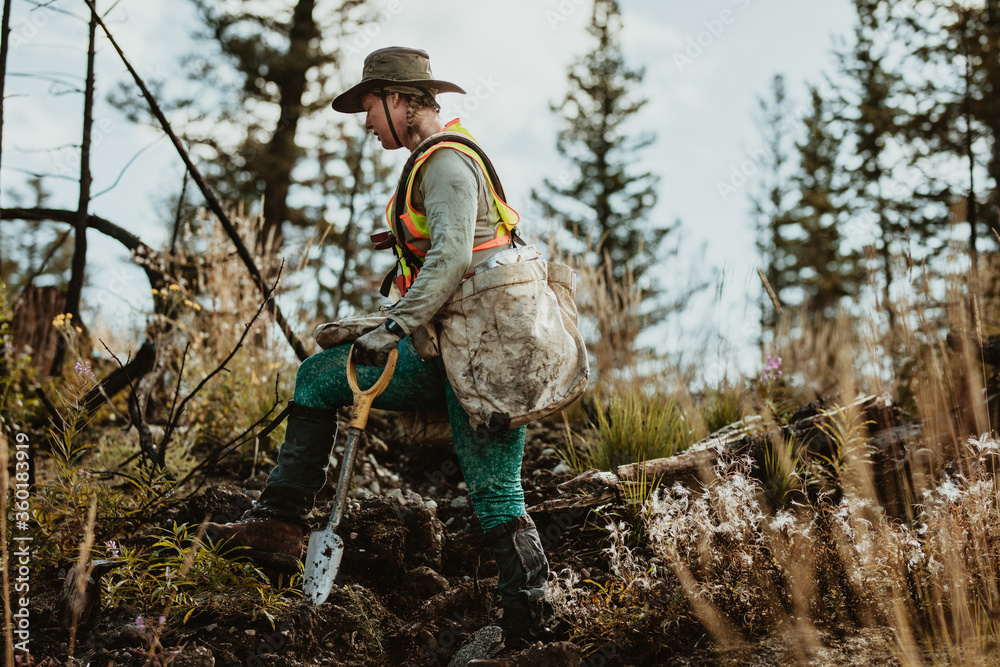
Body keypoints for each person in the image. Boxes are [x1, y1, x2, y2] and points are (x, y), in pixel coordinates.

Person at [204, 46, 550, 649]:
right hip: (474, 354)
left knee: (493, 490)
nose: (366, 122)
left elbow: (450, 262)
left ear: (400, 100)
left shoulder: (442, 164)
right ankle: (533, 634)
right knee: (494, 490)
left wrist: (388, 330)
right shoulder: (441, 162)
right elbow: (458, 241)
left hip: (476, 360)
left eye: (370, 107)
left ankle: (529, 638)